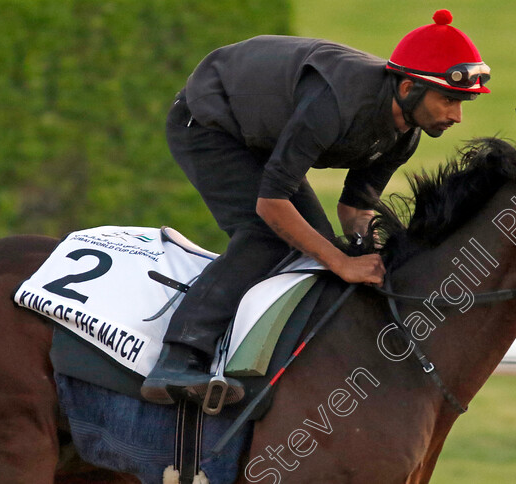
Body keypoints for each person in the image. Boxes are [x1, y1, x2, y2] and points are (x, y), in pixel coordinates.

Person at [141, 9, 491, 405]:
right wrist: (340, 263)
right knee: (270, 238)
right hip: (209, 123)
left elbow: (354, 210)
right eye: (448, 99)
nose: (457, 116)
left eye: (463, 103)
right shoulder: (337, 103)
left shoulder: (406, 134)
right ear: (409, 88)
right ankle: (177, 358)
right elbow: (271, 204)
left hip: (262, 133)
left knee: (319, 245)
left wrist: (372, 259)